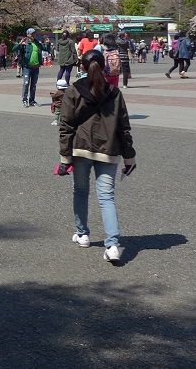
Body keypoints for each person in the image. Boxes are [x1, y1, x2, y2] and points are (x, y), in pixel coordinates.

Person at [56, 49, 137, 263]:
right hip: (109, 149)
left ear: (81, 67)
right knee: (106, 197)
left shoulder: (74, 91)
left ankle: (82, 234)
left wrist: (65, 157)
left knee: (81, 191)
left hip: (81, 148)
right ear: (104, 67)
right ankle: (112, 244)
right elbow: (124, 127)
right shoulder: (115, 92)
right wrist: (129, 157)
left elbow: (65, 126)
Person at [19, 29, 42, 107]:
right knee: (26, 84)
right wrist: (20, 44)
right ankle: (24, 100)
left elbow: (45, 48)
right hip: (27, 67)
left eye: (34, 34)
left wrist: (48, 43)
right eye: (32, 34)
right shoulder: (25, 44)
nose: (33, 35)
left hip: (36, 67)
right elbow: (14, 49)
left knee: (34, 84)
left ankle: (32, 100)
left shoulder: (37, 43)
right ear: (28, 35)